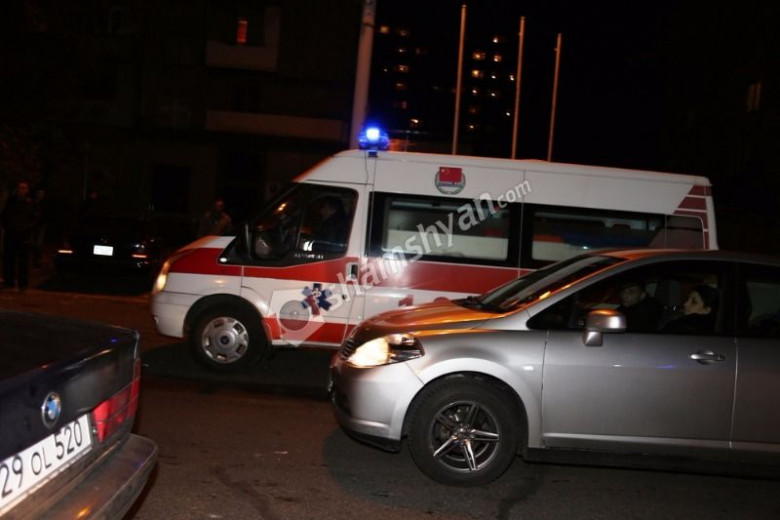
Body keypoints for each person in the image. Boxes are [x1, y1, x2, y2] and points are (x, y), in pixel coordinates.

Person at [1, 181, 39, 291]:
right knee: (9, 258)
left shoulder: (30, 203)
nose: (21, 190)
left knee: (23, 259)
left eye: (24, 188)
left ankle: (22, 283)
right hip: (11, 233)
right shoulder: (11, 202)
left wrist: (26, 227)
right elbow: (5, 214)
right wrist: (7, 226)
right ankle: (9, 281)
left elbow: (35, 218)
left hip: (23, 234)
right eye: (20, 188)